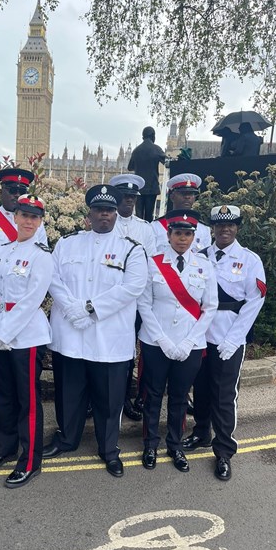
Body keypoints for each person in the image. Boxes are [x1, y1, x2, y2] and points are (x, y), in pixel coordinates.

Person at [43, 184, 148, 478]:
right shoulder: (67, 243)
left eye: (110, 210)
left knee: (109, 399)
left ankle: (108, 449)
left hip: (109, 340)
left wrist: (89, 309)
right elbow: (52, 278)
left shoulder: (131, 249)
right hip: (71, 335)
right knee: (69, 394)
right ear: (88, 213)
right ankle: (67, 439)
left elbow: (132, 288)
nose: (105, 215)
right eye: (99, 210)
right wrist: (72, 309)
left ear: (116, 213)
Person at [182, 205, 266, 481]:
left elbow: (254, 302)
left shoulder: (249, 259)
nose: (225, 230)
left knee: (224, 396)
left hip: (229, 336)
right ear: (213, 228)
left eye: (230, 225)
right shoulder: (200, 256)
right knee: (201, 389)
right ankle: (201, 433)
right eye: (219, 225)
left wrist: (234, 339)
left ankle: (224, 451)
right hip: (201, 337)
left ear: (237, 227)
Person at [0, 194, 53, 488]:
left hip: (27, 336)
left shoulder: (41, 255)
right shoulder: (2, 251)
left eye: (34, 217)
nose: (28, 221)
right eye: (24, 215)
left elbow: (31, 300)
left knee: (28, 401)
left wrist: (5, 333)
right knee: (5, 395)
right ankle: (3, 448)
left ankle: (30, 460)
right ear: (15, 217)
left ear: (40, 222)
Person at [137, 209, 218, 474]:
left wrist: (188, 342)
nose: (182, 239)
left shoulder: (204, 266)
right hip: (155, 342)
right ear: (169, 235)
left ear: (194, 237)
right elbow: (144, 304)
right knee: (153, 395)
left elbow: (210, 307)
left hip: (190, 345)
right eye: (177, 233)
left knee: (180, 398)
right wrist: (161, 339)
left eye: (187, 234)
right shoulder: (153, 262)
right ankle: (150, 444)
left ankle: (175, 445)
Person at [0, 167, 47, 426]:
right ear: (1, 190)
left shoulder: (34, 222)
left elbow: (39, 256)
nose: (15, 194)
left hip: (20, 304)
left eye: (21, 190)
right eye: (11, 189)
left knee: (13, 368)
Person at [109, 173, 156, 421]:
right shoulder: (105, 222)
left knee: (129, 351)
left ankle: (125, 397)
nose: (129, 201)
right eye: (124, 196)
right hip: (108, 300)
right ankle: (100, 399)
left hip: (136, 301)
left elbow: (151, 266)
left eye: (132, 197)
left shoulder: (145, 229)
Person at [151, 173, 212, 254]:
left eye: (191, 194)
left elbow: (205, 258)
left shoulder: (204, 229)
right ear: (172, 197)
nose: (187, 197)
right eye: (183, 193)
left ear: (194, 198)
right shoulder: (155, 227)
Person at [128, 126, 166, 222]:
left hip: (139, 187)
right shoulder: (156, 149)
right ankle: (148, 233)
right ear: (153, 136)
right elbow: (167, 162)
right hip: (151, 186)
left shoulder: (136, 151)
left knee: (138, 214)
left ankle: (138, 234)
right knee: (149, 215)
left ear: (143, 137)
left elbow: (130, 167)